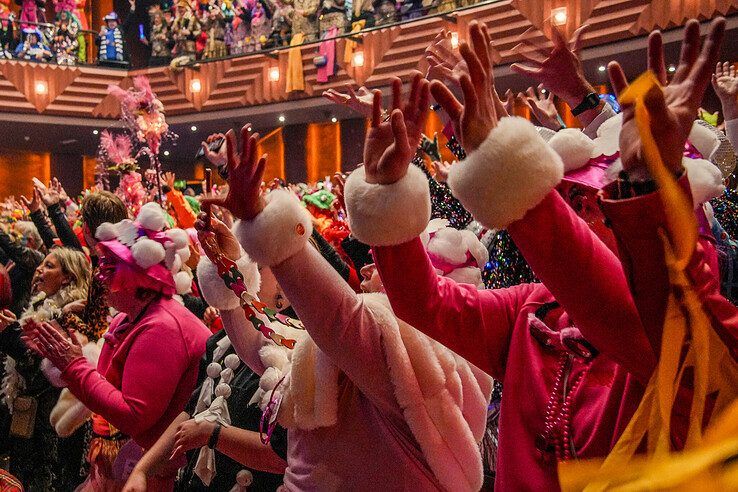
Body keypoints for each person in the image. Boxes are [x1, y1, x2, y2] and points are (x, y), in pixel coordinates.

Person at [339, 18, 731, 491]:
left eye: (599, 202)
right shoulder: (533, 309)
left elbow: (635, 312)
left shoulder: (697, 339)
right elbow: (425, 302)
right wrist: (388, 196)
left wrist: (649, 190)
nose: (580, 210)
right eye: (574, 198)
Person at [192, 116, 492, 489]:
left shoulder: (406, 346)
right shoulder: (353, 348)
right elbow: (263, 349)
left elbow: (341, 318)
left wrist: (260, 217)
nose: (367, 264)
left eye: (385, 259)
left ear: (421, 278)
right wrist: (227, 264)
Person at [28, 202, 210, 489]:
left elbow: (133, 417)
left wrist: (74, 365)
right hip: (130, 461)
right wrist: (64, 360)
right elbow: (105, 386)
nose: (100, 277)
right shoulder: (130, 318)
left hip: (156, 472)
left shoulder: (161, 327)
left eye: (110, 268)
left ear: (136, 277)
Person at [0, 247, 91, 490]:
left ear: (68, 277)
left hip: (52, 427)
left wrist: (11, 339)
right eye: (42, 265)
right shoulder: (38, 305)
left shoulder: (76, 313)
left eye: (49, 266)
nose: (39, 270)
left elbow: (50, 374)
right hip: (31, 423)